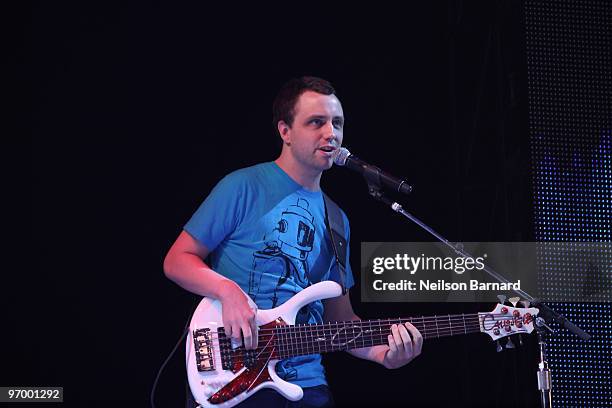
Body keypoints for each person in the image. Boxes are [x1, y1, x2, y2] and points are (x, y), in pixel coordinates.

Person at [163, 76, 423, 407]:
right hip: (235, 377)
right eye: (317, 122)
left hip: (308, 388)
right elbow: (177, 259)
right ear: (285, 131)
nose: (332, 133)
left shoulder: (337, 220)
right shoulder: (243, 186)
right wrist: (227, 291)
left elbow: (340, 321)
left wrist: (385, 354)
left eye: (337, 123)